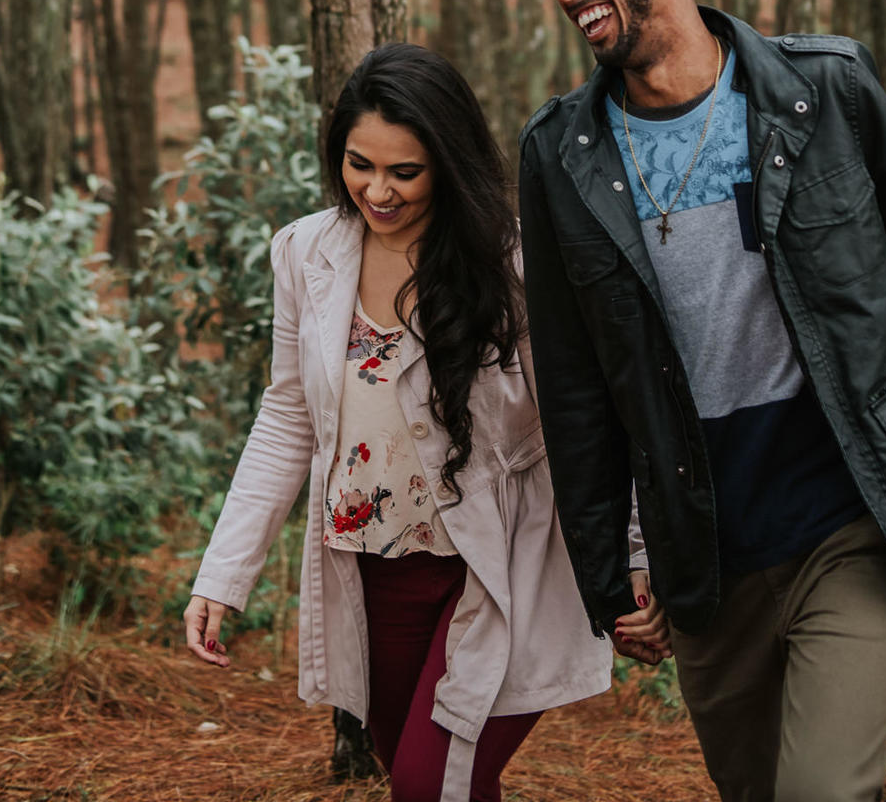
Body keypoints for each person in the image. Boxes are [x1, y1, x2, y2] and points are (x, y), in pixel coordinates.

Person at [489, 0, 886, 802]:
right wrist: (615, 570)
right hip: (704, 552)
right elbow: (574, 385)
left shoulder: (823, 92)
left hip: (846, 514)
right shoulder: (560, 156)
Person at [184, 42, 665, 802]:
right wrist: (224, 574)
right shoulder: (305, 252)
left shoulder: (515, 262)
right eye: (358, 164)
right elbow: (287, 416)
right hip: (371, 567)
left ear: (449, 159)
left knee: (426, 784)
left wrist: (636, 555)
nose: (378, 191)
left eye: (405, 171)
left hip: (502, 562)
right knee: (439, 778)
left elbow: (596, 417)